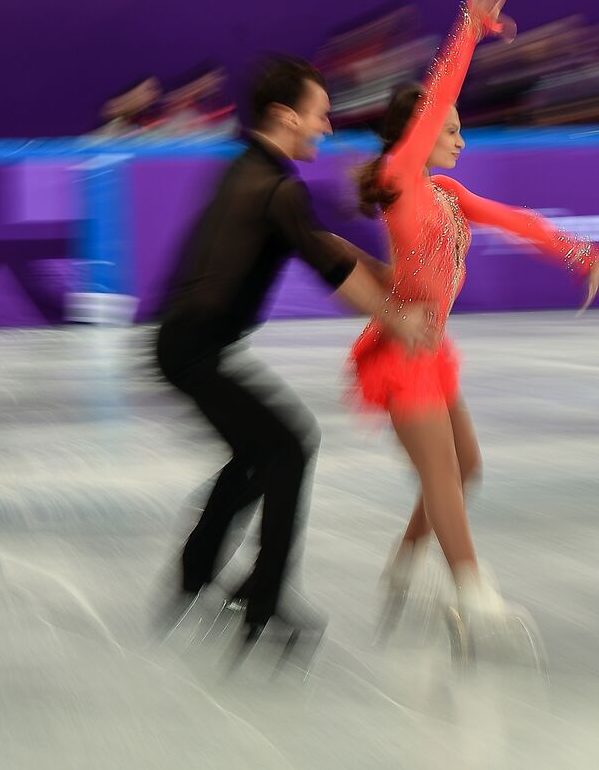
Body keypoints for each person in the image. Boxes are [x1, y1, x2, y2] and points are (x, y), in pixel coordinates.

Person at [350, 0, 599, 627]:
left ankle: (404, 561)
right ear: (417, 135)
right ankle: (472, 589)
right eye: (449, 128)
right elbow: (440, 96)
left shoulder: (450, 196)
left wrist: (585, 257)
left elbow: (517, 219)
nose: (460, 137)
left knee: (467, 467)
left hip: (433, 351)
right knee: (445, 476)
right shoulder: (401, 184)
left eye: (459, 128)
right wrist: (467, 29)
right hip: (401, 349)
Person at [155, 55, 435, 646]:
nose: (327, 129)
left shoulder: (252, 172)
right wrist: (397, 320)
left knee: (257, 453)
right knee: (288, 447)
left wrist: (383, 273)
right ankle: (264, 600)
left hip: (185, 343)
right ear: (286, 117)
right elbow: (327, 267)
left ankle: (196, 572)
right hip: (195, 349)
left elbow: (316, 241)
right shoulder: (276, 188)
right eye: (320, 116)